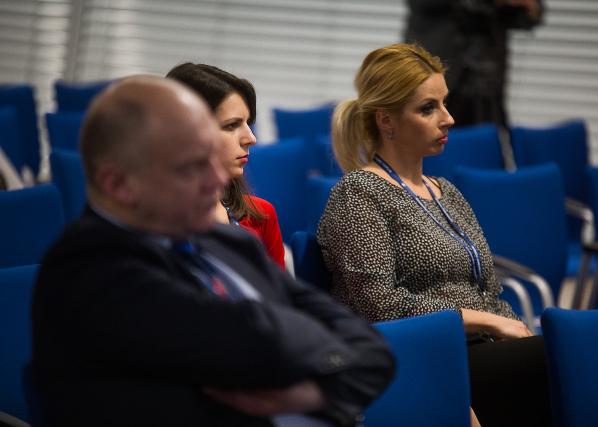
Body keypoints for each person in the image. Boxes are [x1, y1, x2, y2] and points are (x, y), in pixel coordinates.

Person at [31, 75, 395, 427]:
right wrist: (331, 361)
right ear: (118, 184)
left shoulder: (230, 241)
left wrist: (314, 393)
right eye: (192, 167)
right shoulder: (87, 268)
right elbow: (254, 343)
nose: (218, 179)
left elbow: (374, 352)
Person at [317, 43, 550, 427]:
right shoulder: (359, 192)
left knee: (571, 357)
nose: (448, 119)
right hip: (424, 357)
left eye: (444, 103)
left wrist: (514, 329)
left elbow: (488, 292)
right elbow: (379, 307)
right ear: (386, 121)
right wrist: (487, 321)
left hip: (478, 351)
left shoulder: (446, 191)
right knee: (565, 367)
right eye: (428, 108)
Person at [166, 62, 286, 269]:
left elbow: (279, 289)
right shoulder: (150, 224)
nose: (251, 138)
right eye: (232, 125)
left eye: (248, 123)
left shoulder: (261, 215)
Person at [404, 0, 543, 128]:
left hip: (487, 76)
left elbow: (527, 16)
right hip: (437, 66)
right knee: (426, 132)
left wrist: (531, 7)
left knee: (486, 139)